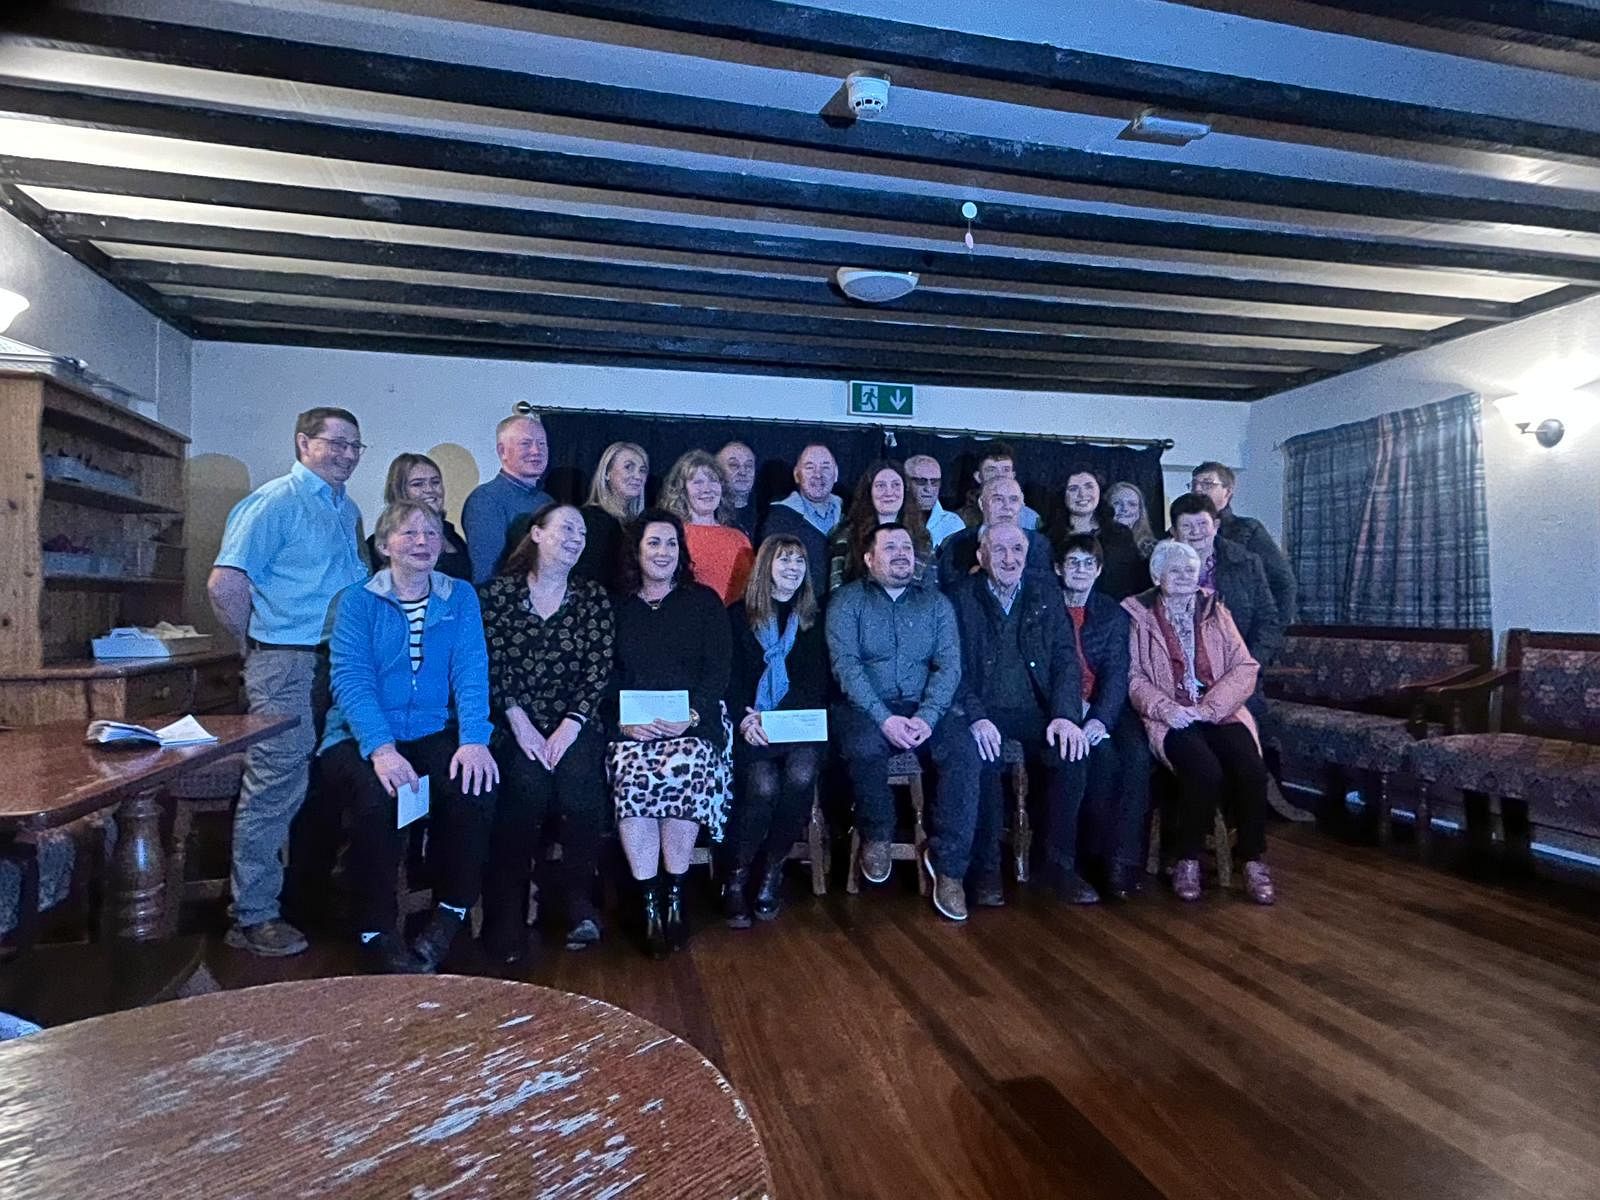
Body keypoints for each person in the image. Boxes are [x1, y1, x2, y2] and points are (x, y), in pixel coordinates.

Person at [208, 406, 369, 957]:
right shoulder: (276, 501)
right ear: (304, 443)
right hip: (289, 662)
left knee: (323, 784)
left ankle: (306, 900)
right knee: (273, 788)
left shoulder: (345, 509)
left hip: (337, 663)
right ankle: (251, 917)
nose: (346, 454)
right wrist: (258, 645)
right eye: (335, 443)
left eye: (354, 446)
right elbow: (226, 584)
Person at [317, 501, 500, 972]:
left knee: (474, 788)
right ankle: (375, 927)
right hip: (362, 735)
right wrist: (381, 750)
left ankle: (452, 909)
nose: (422, 541)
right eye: (408, 533)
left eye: (432, 533)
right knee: (377, 801)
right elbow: (351, 680)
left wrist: (474, 738)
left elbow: (472, 671)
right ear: (383, 545)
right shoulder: (357, 600)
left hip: (433, 729)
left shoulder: (459, 597)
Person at [479, 504, 614, 963]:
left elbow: (599, 668)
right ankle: (507, 913)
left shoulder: (593, 597)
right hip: (512, 722)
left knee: (580, 792)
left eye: (582, 531)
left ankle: (576, 901)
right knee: (524, 791)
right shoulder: (495, 596)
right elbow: (491, 664)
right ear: (536, 534)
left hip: (575, 723)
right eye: (566, 528)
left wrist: (569, 726)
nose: (577, 537)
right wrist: (520, 724)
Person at [827, 523, 980, 922]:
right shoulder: (847, 602)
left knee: (964, 752)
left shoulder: (937, 604)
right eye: (890, 546)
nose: (900, 553)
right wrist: (884, 718)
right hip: (865, 706)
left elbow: (949, 667)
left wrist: (927, 718)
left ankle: (948, 867)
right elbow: (847, 668)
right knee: (862, 745)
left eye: (907, 547)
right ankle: (877, 834)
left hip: (924, 706)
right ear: (868, 558)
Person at [608, 510, 733, 958]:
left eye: (671, 544)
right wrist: (623, 724)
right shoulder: (617, 607)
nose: (663, 552)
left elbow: (719, 671)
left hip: (693, 725)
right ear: (636, 552)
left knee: (686, 764)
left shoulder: (703, 602)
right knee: (632, 772)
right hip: (631, 729)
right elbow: (605, 677)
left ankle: (675, 897)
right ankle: (648, 904)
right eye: (653, 543)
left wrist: (693, 717)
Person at [1123, 540, 1275, 905]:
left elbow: (1244, 667)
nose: (1183, 577)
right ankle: (1187, 858)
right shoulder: (1139, 616)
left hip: (1219, 712)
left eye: (1190, 570)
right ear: (1157, 575)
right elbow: (1133, 677)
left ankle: (1253, 860)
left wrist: (1212, 707)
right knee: (1203, 770)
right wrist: (1165, 709)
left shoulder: (1216, 610)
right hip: (1171, 716)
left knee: (1251, 769)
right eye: (1174, 570)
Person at [949, 524, 1093, 906]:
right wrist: (976, 716)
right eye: (999, 550)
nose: (1009, 558)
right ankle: (987, 870)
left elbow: (1066, 660)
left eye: (1017, 549)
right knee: (985, 758)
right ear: (981, 557)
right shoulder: (961, 598)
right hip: (983, 711)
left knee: (1071, 755)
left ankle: (1058, 867)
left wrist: (1065, 715)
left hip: (1038, 711)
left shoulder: (1045, 593)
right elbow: (952, 669)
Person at [723, 534, 828, 927]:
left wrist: (785, 721)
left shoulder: (812, 621)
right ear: (765, 565)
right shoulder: (737, 617)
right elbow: (728, 680)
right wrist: (745, 719)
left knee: (801, 772)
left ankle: (771, 870)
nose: (792, 569)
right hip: (750, 726)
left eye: (799, 562)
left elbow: (816, 683)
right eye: (784, 560)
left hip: (796, 726)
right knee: (764, 785)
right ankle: (735, 877)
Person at [1057, 534, 1151, 900]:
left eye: (1088, 564)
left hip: (1106, 707)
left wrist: (1099, 719)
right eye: (1072, 562)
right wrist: (1071, 709)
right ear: (1058, 568)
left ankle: (1123, 860)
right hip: (1062, 708)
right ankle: (1092, 858)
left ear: (1098, 571)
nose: (1080, 570)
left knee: (1137, 756)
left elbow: (1117, 671)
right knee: (1103, 760)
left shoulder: (1111, 612)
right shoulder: (1047, 608)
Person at [1169, 494, 1283, 671]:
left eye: (1202, 524)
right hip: (1178, 674)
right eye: (1186, 526)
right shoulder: (1160, 568)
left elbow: (1268, 620)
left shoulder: (1246, 563)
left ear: (1215, 526)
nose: (1196, 532)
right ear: (1174, 533)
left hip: (1239, 670)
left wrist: (1249, 666)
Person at [1190, 461, 1297, 624]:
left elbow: (1283, 583)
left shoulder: (1247, 529)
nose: (1198, 490)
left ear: (1227, 492)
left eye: (1207, 484)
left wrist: (1273, 633)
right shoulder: (1181, 533)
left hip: (1241, 631)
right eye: (1194, 484)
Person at [462, 412, 553, 584]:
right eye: (526, 444)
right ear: (502, 451)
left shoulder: (547, 501)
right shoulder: (485, 499)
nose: (536, 451)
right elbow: (486, 575)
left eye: (542, 443)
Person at [660, 450, 755, 605]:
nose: (707, 488)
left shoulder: (739, 538)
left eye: (713, 480)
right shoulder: (673, 536)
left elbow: (753, 592)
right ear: (682, 490)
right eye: (697, 482)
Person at [828, 460, 935, 590]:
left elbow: (930, 591)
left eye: (896, 485)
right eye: (880, 486)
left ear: (905, 491)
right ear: (869, 492)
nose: (889, 492)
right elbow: (836, 589)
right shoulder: (846, 535)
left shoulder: (922, 537)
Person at [366, 453, 471, 581]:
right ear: (398, 490)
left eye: (435, 482)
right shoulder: (384, 541)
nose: (429, 489)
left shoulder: (452, 536)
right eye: (417, 484)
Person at [758, 443, 841, 598]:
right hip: (798, 612)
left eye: (825, 467)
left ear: (836, 474)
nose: (818, 474)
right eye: (810, 467)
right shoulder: (779, 520)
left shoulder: (852, 515)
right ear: (797, 475)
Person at [938, 477, 1053, 586]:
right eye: (998, 499)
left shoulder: (1039, 544)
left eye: (1013, 500)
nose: (1007, 507)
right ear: (981, 503)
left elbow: (1045, 587)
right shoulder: (958, 542)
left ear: (1022, 504)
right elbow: (947, 586)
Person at [1058, 463, 1145, 600]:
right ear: (1063, 494)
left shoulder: (1121, 534)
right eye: (1073, 489)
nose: (1082, 494)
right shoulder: (1050, 537)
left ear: (1099, 490)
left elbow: (1133, 582)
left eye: (1089, 487)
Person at [572, 440, 648, 587]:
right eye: (629, 467)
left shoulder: (640, 524)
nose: (637, 476)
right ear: (607, 473)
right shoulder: (588, 519)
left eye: (642, 470)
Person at [961, 443, 1042, 531]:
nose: (1000, 475)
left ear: (1013, 475)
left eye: (1006, 470)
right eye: (991, 470)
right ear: (978, 477)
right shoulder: (961, 519)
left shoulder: (1031, 518)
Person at [904, 453, 966, 549]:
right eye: (921, 481)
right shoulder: (895, 517)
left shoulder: (952, 523)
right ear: (906, 483)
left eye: (934, 482)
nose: (928, 488)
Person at [716, 441, 760, 538]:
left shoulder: (766, 514)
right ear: (717, 471)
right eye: (734, 465)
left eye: (748, 466)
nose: (743, 472)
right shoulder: (708, 515)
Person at [1108, 481, 1158, 559]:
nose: (1125, 509)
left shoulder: (1153, 548)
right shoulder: (1097, 543)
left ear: (1140, 511)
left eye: (1132, 504)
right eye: (1117, 503)